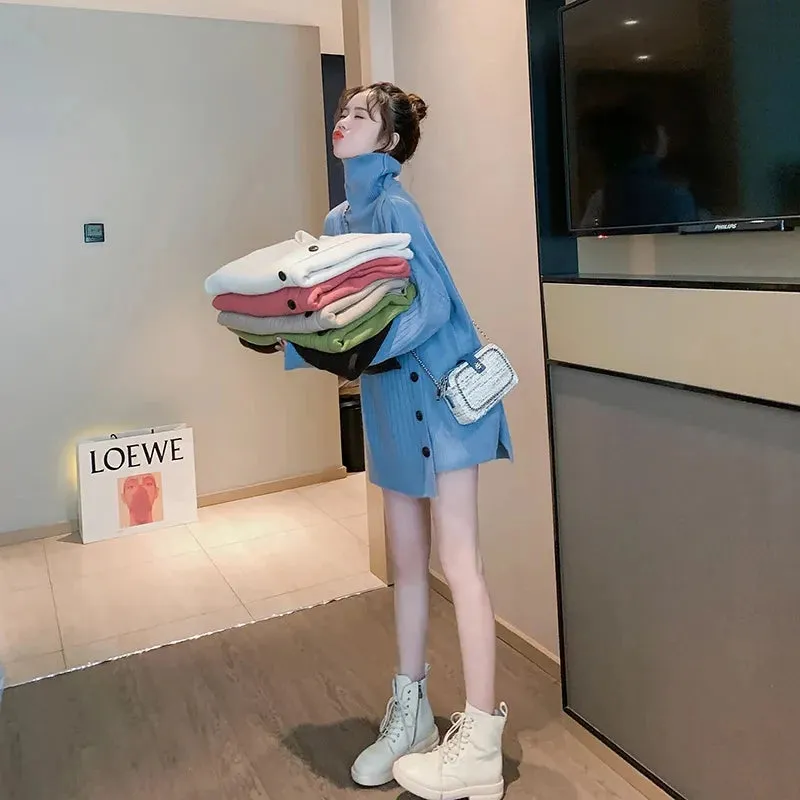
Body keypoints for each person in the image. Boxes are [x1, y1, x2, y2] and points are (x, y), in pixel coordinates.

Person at [282, 82, 512, 800]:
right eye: (343, 111)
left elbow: (433, 302)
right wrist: (297, 336)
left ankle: (480, 741)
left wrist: (355, 351)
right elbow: (333, 312)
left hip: (442, 402)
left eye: (361, 115)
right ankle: (411, 716)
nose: (343, 120)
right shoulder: (337, 218)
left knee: (460, 564)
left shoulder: (394, 205)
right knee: (408, 566)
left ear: (388, 141)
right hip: (388, 403)